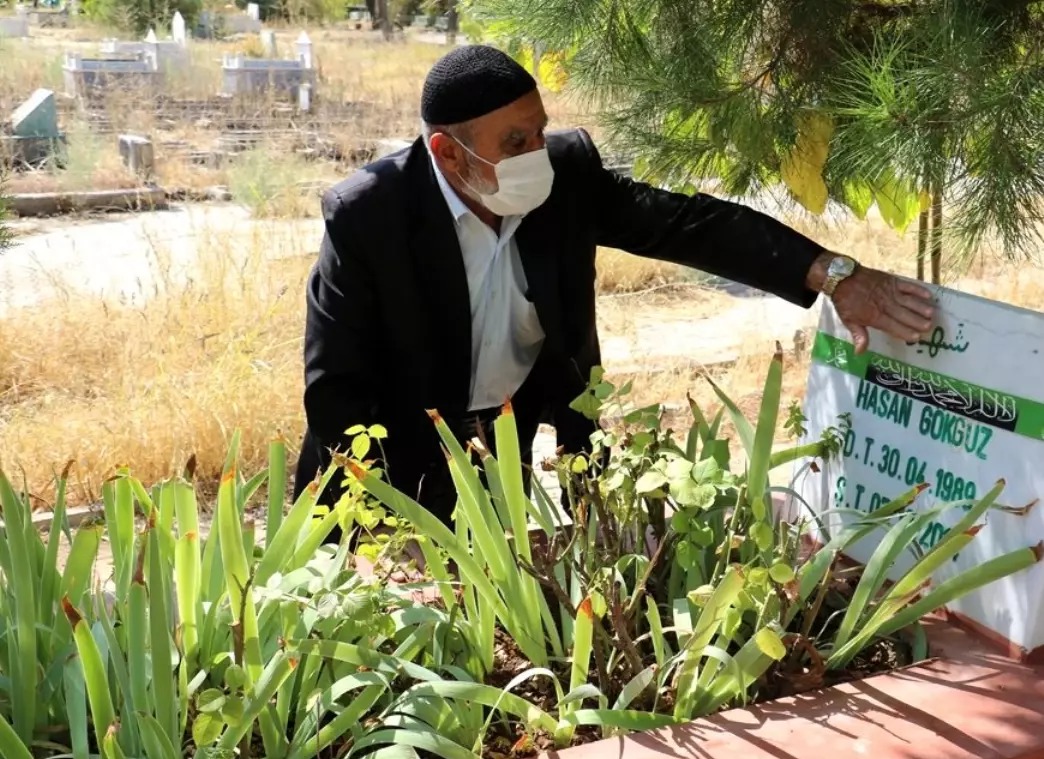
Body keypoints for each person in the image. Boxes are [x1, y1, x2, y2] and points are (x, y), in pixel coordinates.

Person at [294, 44, 935, 524]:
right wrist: (380, 517)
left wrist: (830, 272)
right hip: (386, 453)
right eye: (514, 141)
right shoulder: (369, 215)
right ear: (448, 154)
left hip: (498, 439)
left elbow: (687, 225)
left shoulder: (564, 175)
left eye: (539, 130)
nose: (536, 152)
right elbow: (336, 392)